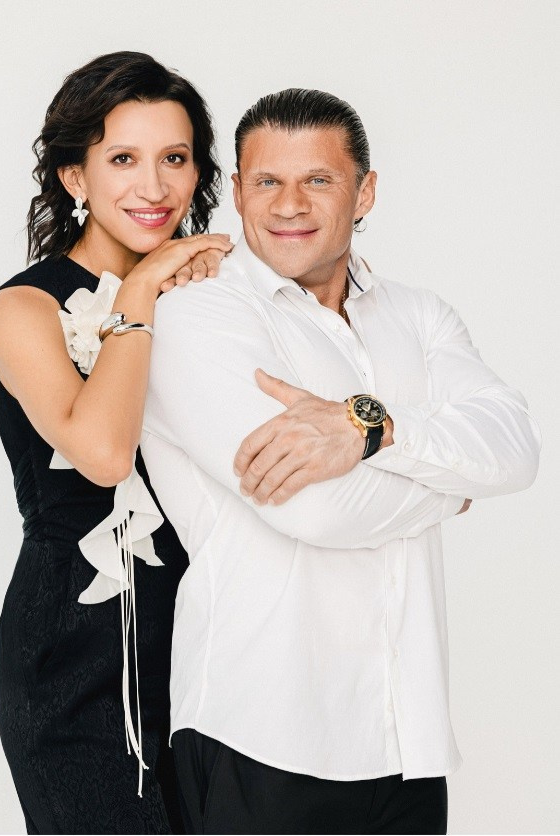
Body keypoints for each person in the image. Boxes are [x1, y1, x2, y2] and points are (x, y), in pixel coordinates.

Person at [140, 88, 542, 834]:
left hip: (406, 740)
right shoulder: (198, 313)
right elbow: (314, 508)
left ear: (365, 192)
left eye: (318, 180)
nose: (289, 204)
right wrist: (451, 489)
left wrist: (372, 431)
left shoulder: (418, 315)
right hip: (260, 733)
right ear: (238, 192)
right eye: (267, 180)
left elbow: (515, 448)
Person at [0, 51, 233, 835]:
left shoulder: (215, 300)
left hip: (206, 639)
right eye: (123, 159)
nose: (153, 187)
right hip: (73, 654)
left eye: (174, 159)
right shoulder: (22, 309)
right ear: (75, 177)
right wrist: (141, 290)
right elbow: (102, 453)